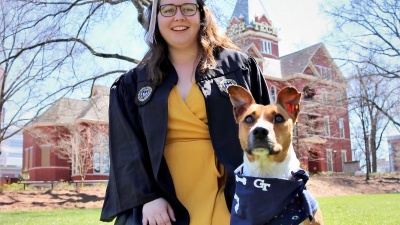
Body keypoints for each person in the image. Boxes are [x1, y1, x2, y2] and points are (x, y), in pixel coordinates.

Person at [100, 0, 270, 224]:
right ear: (155, 19)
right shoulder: (133, 83)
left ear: (201, 15)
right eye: (168, 9)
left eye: (187, 8)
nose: (178, 16)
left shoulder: (238, 67)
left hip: (232, 193)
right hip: (162, 200)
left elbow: (269, 131)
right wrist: (147, 198)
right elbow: (126, 148)